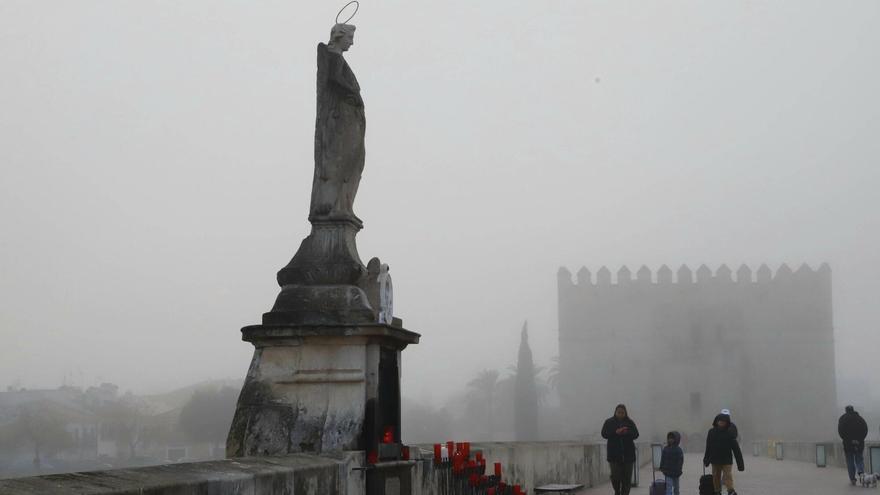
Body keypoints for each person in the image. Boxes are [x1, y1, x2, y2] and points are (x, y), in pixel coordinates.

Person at [601, 404, 640, 495]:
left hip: (628, 456)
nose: (620, 414)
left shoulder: (630, 422)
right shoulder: (609, 422)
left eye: (622, 412)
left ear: (625, 413)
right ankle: (617, 491)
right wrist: (615, 432)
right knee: (615, 477)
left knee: (627, 479)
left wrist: (627, 432)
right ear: (615, 412)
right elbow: (604, 434)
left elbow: (636, 434)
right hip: (614, 456)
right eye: (619, 412)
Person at [704, 412, 744, 495]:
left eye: (724, 421)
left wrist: (740, 464)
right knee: (716, 477)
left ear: (727, 423)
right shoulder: (711, 432)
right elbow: (708, 446)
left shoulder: (729, 433)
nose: (722, 423)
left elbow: (736, 449)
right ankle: (717, 491)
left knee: (727, 476)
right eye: (720, 421)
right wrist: (706, 459)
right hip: (715, 459)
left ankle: (730, 490)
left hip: (727, 460)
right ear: (717, 422)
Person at [838, 405, 868, 485]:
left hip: (848, 444)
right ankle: (861, 473)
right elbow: (865, 430)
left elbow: (841, 432)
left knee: (850, 461)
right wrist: (859, 439)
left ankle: (853, 479)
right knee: (859, 459)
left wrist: (848, 440)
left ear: (846, 410)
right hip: (859, 443)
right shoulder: (860, 419)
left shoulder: (842, 419)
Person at [659, 431, 683, 495]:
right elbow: (663, 459)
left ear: (676, 439)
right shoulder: (665, 449)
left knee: (676, 488)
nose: (670, 440)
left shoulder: (679, 450)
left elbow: (681, 461)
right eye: (669, 438)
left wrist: (679, 470)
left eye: (672, 438)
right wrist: (661, 467)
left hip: (676, 473)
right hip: (668, 472)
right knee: (668, 488)